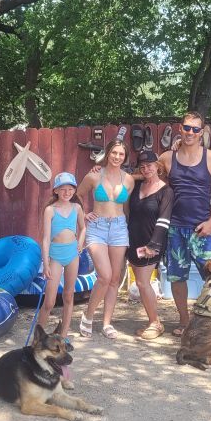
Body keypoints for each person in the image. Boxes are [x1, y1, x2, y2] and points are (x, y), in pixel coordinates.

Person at [158, 111, 211, 337]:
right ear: (180, 128)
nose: (190, 132)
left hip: (202, 230)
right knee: (177, 278)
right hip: (175, 229)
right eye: (187, 128)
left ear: (202, 132)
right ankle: (185, 320)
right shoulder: (168, 158)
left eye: (195, 129)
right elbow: (147, 174)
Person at [77, 139, 135, 339]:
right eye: (114, 153)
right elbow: (77, 196)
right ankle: (88, 316)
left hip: (119, 228)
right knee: (105, 276)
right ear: (107, 153)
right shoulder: (94, 175)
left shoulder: (128, 179)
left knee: (115, 279)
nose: (117, 157)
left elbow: (126, 208)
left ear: (125, 157)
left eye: (121, 154)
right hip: (97, 228)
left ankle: (107, 323)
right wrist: (84, 214)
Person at [126, 150, 174, 340]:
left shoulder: (166, 191)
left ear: (158, 166)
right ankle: (152, 321)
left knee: (143, 283)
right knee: (140, 283)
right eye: (143, 166)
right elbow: (121, 178)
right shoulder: (136, 185)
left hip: (152, 242)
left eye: (150, 165)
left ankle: (156, 323)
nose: (146, 169)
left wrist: (153, 245)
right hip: (133, 240)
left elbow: (164, 221)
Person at [36, 171, 87, 342]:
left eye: (70, 189)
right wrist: (46, 264)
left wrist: (80, 242)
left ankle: (64, 334)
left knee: (68, 295)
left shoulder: (77, 208)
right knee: (49, 302)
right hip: (56, 256)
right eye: (63, 189)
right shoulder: (50, 210)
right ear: (56, 190)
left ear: (74, 190)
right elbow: (45, 239)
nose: (67, 192)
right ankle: (38, 338)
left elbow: (83, 228)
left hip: (73, 254)